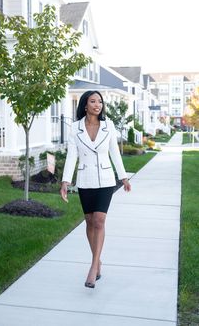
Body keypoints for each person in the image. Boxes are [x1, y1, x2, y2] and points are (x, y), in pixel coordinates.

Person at [60, 90, 131, 288]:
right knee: (90, 221)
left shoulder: (109, 126)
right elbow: (72, 156)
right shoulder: (75, 128)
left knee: (99, 220)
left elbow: (114, 153)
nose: (98, 104)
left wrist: (123, 176)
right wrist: (66, 181)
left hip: (106, 179)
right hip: (85, 179)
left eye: (100, 101)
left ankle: (93, 267)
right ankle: (97, 259)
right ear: (85, 105)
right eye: (93, 101)